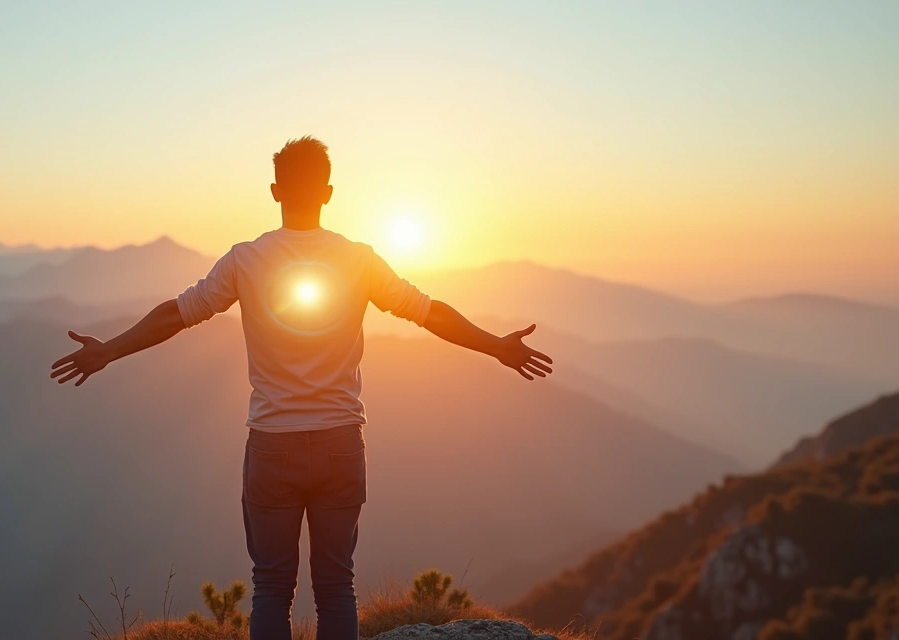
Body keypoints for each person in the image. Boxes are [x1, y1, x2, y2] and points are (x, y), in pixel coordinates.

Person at [49, 136, 553, 640]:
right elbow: (429, 313)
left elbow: (175, 315)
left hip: (272, 446)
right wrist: (495, 347)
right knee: (337, 586)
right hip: (339, 444)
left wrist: (109, 350)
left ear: (274, 191)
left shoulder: (246, 259)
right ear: (328, 192)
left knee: (271, 586)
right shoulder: (359, 259)